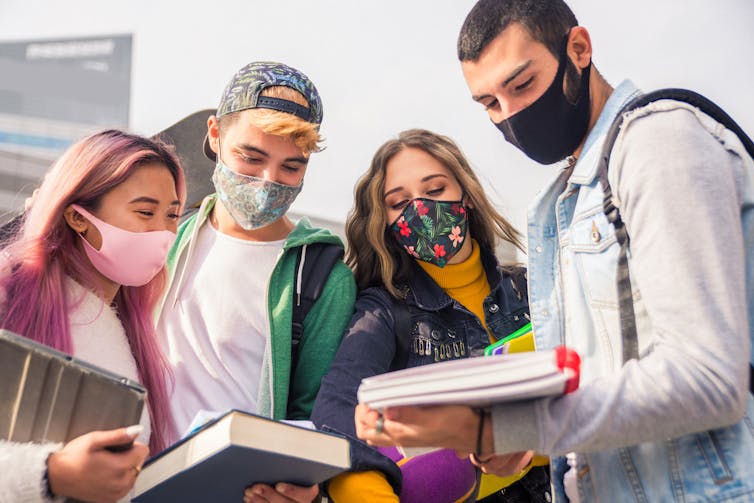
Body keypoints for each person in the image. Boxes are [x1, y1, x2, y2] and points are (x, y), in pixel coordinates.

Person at [355, 1, 754, 501]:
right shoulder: (563, 200)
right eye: (489, 103)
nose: (511, 115)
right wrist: (520, 446)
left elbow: (707, 379)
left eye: (521, 85)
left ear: (578, 49)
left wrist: (507, 427)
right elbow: (605, 383)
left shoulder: (657, 143)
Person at [312, 128, 551, 502]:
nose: (421, 209)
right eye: (398, 202)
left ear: (466, 195)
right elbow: (338, 408)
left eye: (435, 190)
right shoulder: (384, 309)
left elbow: (598, 387)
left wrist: (526, 444)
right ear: (387, 224)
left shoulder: (535, 288)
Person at [154, 61, 356, 503]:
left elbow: (315, 417)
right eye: (251, 157)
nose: (267, 182)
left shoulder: (323, 278)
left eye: (291, 167)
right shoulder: (163, 237)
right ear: (213, 134)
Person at [0, 129, 185, 502]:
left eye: (172, 214)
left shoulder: (134, 325)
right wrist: (51, 473)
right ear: (78, 216)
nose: (163, 232)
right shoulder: (9, 296)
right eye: (145, 212)